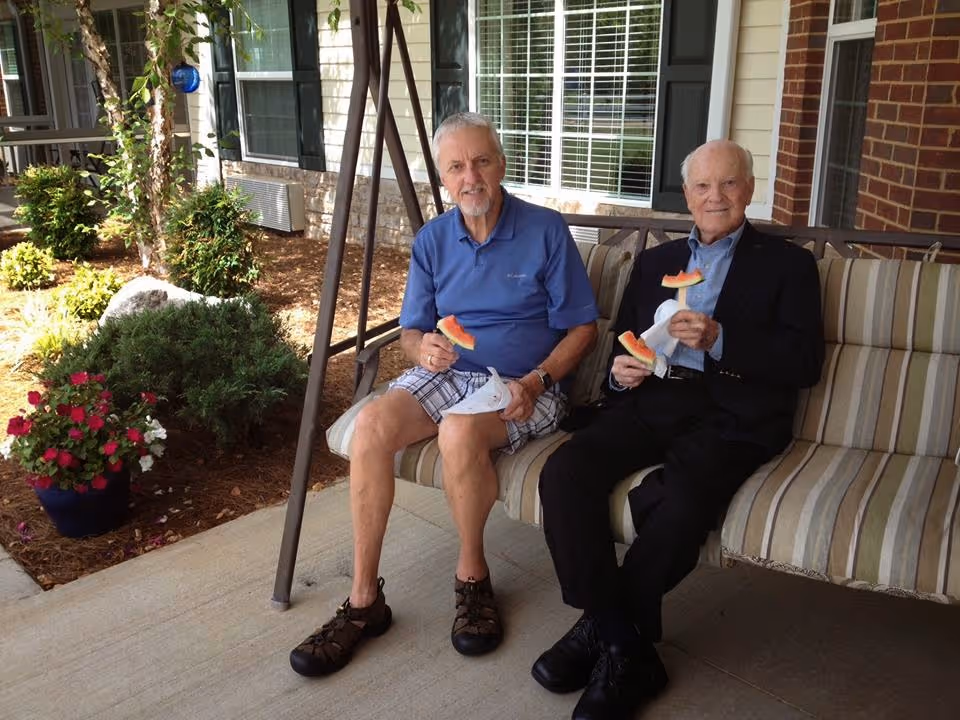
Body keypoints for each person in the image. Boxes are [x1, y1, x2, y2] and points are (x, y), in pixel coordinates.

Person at [289, 112, 599, 676]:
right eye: (456, 167)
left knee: (458, 431)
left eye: (480, 162)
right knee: (371, 425)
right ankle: (364, 600)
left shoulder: (545, 230)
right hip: (451, 372)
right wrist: (422, 349)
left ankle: (472, 577)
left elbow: (582, 328)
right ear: (443, 177)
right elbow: (412, 331)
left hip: (528, 382)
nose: (470, 177)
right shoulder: (433, 240)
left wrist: (537, 380)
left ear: (501, 165)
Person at [532, 140, 825, 720]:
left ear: (749, 189)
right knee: (566, 471)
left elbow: (804, 363)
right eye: (702, 186)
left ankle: (599, 632)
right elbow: (626, 344)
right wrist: (620, 375)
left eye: (729, 183)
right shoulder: (653, 262)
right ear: (686, 195)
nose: (716, 197)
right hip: (655, 400)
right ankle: (622, 641)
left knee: (683, 500)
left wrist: (721, 340)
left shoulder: (790, 265)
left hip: (735, 414)